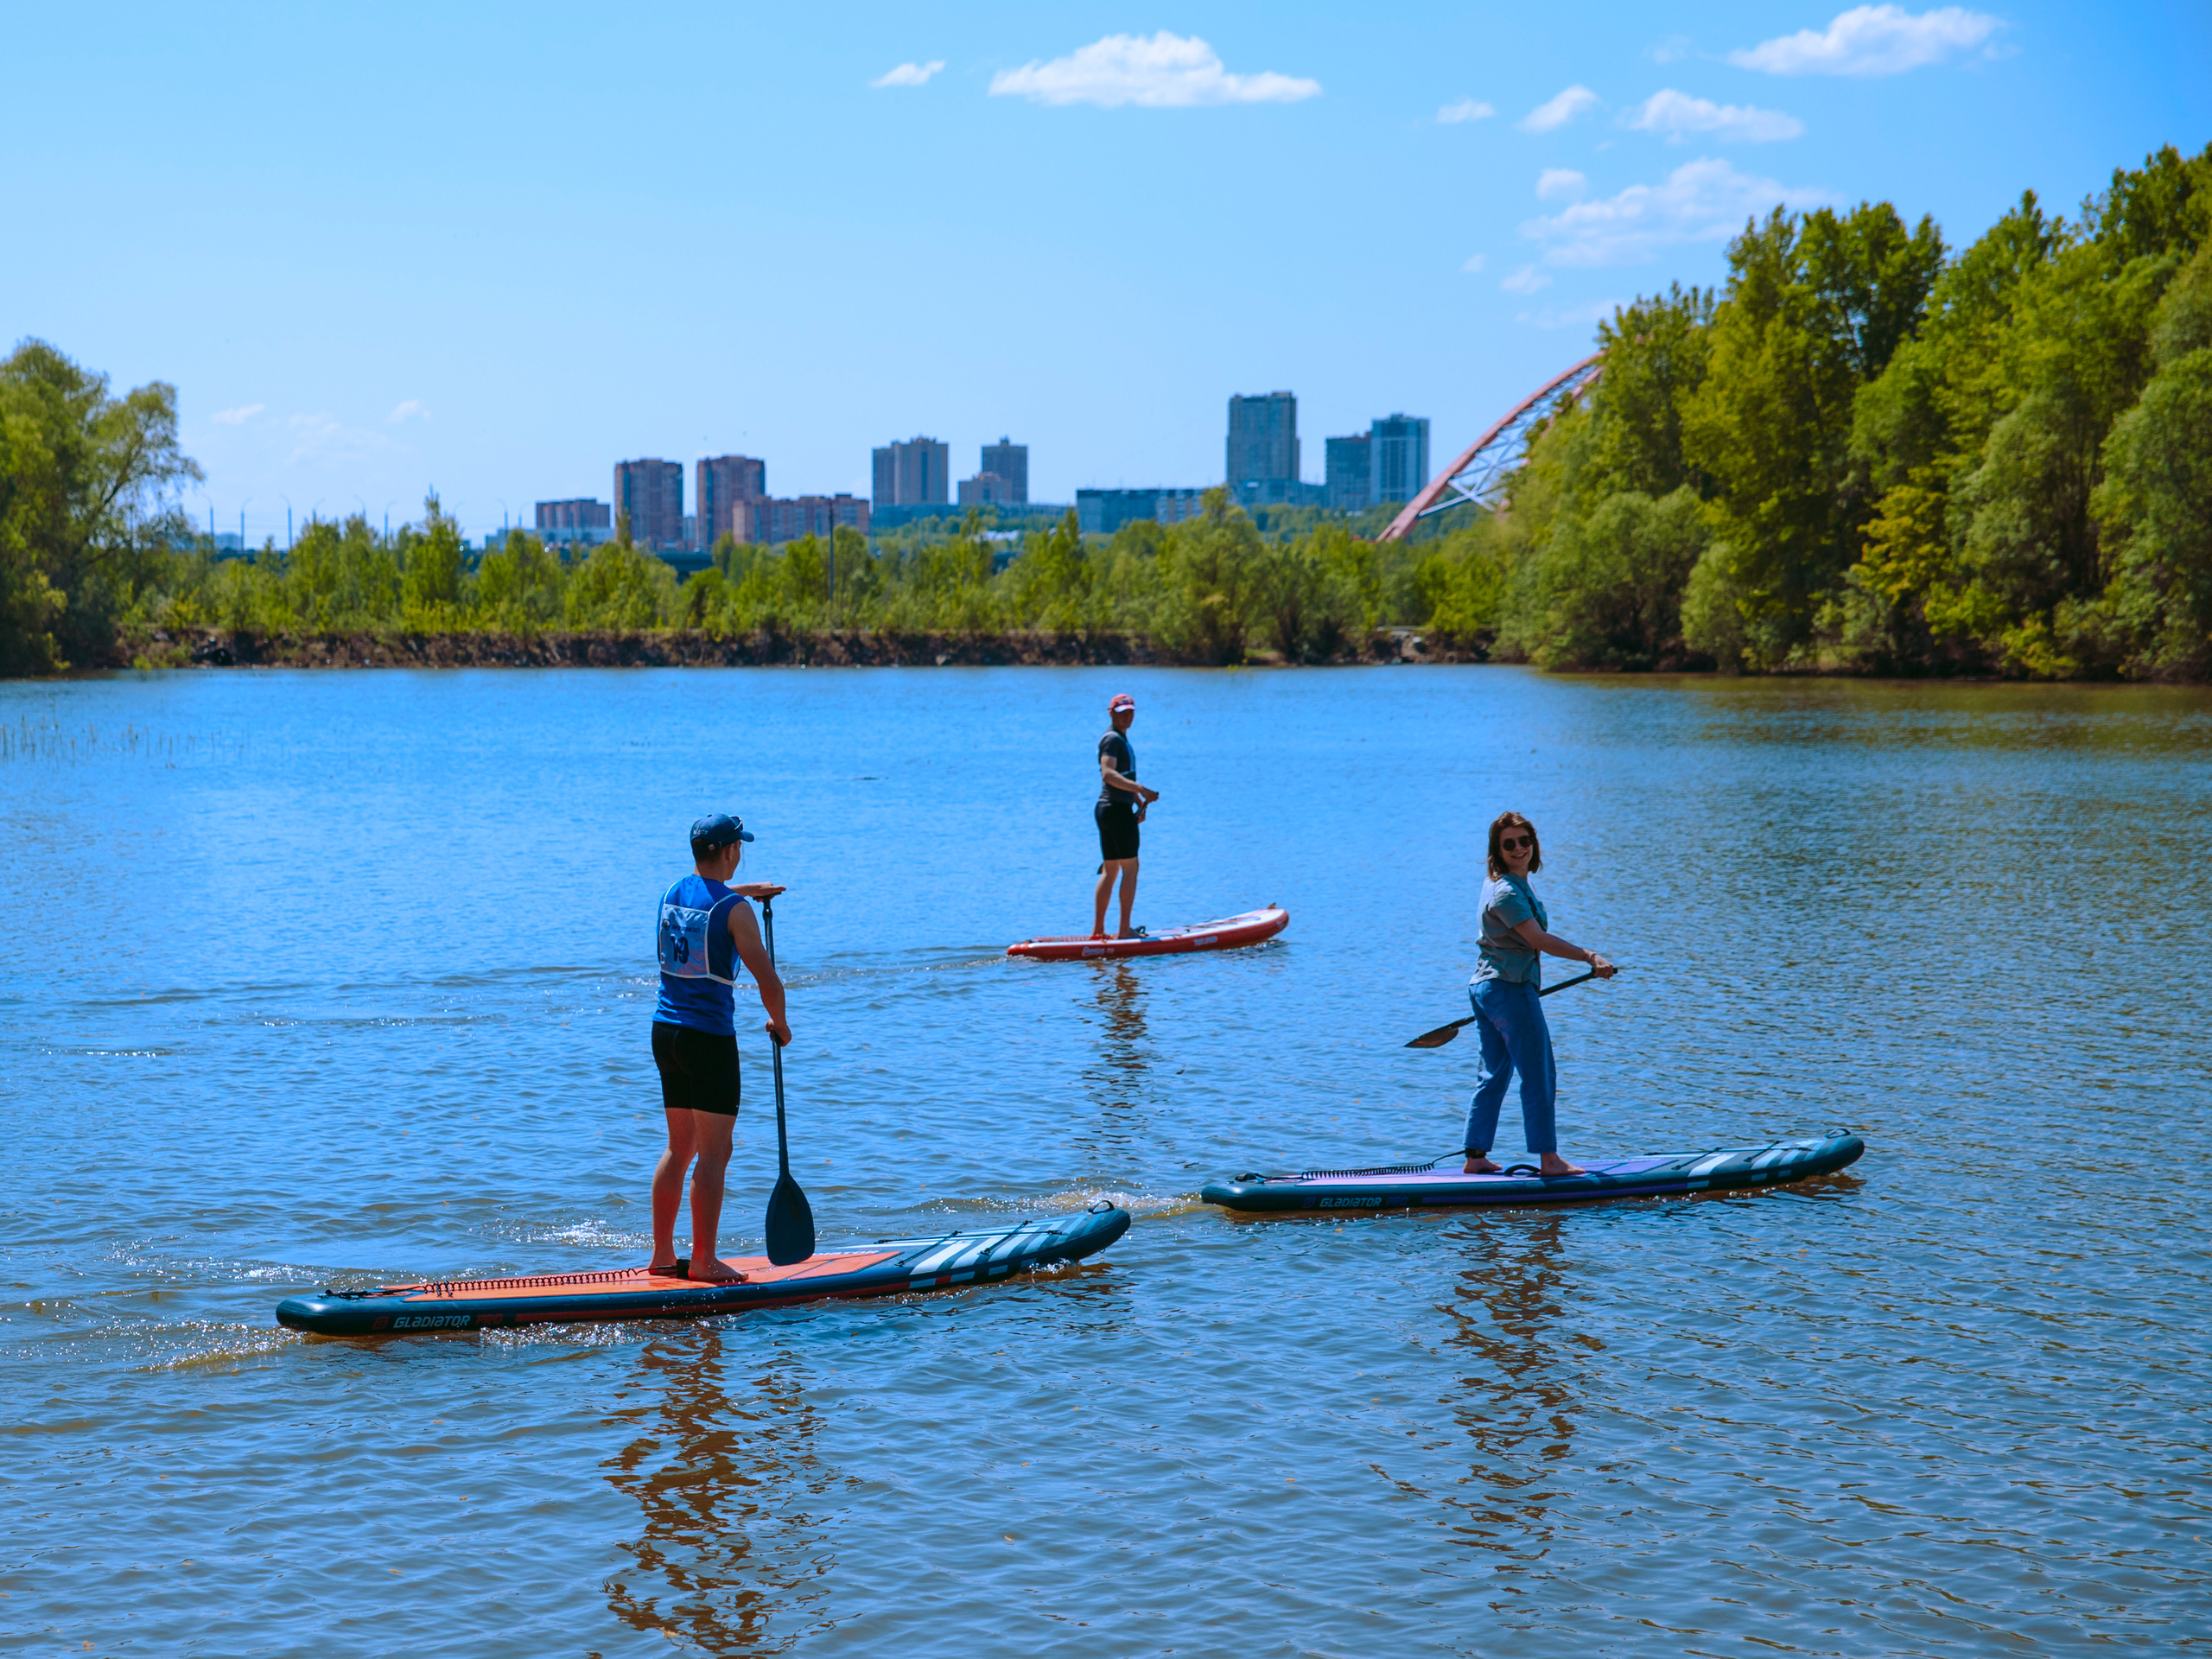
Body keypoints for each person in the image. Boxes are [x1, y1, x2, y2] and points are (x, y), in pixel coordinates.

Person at [650, 813, 790, 1282]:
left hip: (665, 1034)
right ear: (730, 850)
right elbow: (768, 981)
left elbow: (708, 900)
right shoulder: (736, 912)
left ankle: (663, 1256)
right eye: (739, 847)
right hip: (707, 1039)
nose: (740, 854)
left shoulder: (670, 893)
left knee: (679, 1148)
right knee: (714, 1152)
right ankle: (704, 1261)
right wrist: (781, 1024)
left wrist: (744, 893)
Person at [1461, 811, 1615, 1178]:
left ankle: (1476, 1157)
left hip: (1486, 988)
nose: (1519, 848)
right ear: (1497, 851)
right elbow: (1538, 940)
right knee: (1539, 1073)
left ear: (1534, 844)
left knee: (1494, 1073)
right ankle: (1550, 1161)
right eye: (1509, 844)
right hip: (1508, 989)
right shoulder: (1506, 892)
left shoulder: (1504, 883)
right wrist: (1589, 956)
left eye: (1524, 841)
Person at [1092, 691, 1160, 939]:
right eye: (1122, 713)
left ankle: (1098, 932)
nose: (1127, 717)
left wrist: (1135, 799)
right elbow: (1108, 774)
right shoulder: (1113, 740)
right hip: (1116, 812)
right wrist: (1140, 789)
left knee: (1110, 870)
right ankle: (1124, 931)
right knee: (1130, 869)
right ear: (1111, 713)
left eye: (1130, 712)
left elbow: (1120, 779)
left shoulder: (1120, 739)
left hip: (1112, 809)